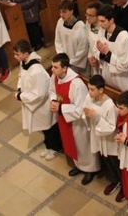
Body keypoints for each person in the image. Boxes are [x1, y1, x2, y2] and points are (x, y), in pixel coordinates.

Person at [49, 53, 100, 184]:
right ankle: (79, 166)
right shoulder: (55, 77)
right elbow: (52, 91)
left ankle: (90, 169)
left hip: (78, 122)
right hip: (64, 118)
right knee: (72, 144)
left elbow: (80, 108)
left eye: (55, 67)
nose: (52, 70)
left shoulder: (76, 83)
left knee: (82, 145)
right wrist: (54, 101)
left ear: (65, 68)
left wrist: (60, 108)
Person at [13, 39, 59, 156]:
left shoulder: (37, 71)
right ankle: (48, 146)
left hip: (42, 105)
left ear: (26, 54)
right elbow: (20, 76)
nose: (15, 56)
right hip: (34, 104)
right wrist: (19, 88)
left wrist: (21, 96)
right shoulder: (24, 63)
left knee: (49, 128)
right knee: (43, 128)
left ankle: (55, 148)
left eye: (17, 54)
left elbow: (39, 94)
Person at [81, 74, 119, 195]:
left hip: (109, 139)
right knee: (105, 159)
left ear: (101, 90)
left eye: (92, 89)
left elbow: (111, 127)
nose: (89, 92)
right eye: (89, 88)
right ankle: (114, 180)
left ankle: (123, 185)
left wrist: (96, 117)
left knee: (114, 161)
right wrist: (86, 115)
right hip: (97, 135)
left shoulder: (109, 105)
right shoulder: (89, 97)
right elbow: (85, 109)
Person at [92, 5, 128, 93]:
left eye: (103, 21)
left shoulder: (124, 37)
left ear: (111, 20)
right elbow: (95, 50)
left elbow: (125, 65)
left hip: (122, 80)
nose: (100, 24)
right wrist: (100, 55)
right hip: (107, 77)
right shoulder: (102, 31)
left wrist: (107, 53)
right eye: (99, 21)